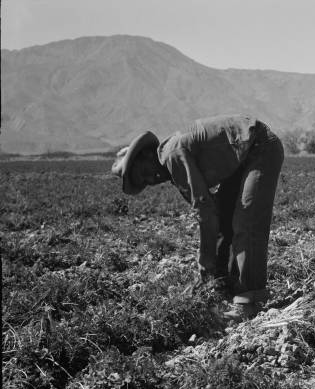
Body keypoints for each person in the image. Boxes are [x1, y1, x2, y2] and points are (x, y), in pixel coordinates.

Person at [112, 114, 284, 320]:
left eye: (143, 173)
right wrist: (211, 276)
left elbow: (205, 214)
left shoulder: (172, 155)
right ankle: (226, 287)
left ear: (146, 156)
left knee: (246, 221)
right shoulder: (172, 161)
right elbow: (213, 213)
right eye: (143, 182)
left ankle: (250, 299)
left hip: (260, 147)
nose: (150, 180)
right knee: (226, 220)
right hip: (241, 160)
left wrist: (204, 261)